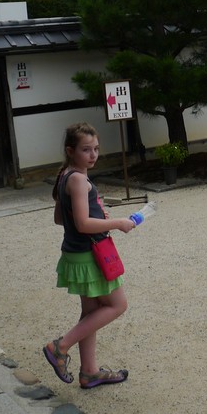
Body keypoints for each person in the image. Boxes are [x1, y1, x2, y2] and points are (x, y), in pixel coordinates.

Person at [43, 122, 134, 389]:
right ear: (70, 150)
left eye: (96, 148)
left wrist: (98, 215)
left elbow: (60, 218)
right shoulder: (79, 180)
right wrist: (117, 222)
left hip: (75, 254)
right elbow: (83, 224)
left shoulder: (65, 175)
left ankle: (90, 372)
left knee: (90, 312)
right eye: (86, 149)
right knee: (118, 305)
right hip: (89, 255)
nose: (93, 155)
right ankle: (60, 347)